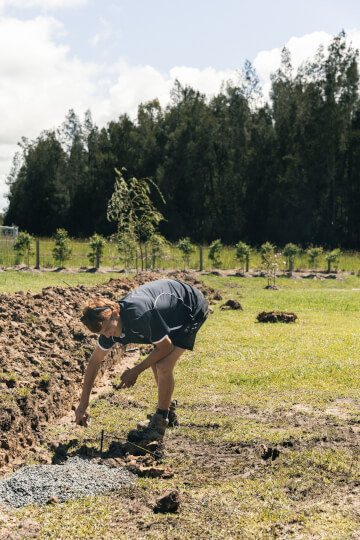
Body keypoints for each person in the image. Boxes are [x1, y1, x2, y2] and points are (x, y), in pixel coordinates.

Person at [75, 278, 209, 442]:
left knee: (163, 365)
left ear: (116, 314)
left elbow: (165, 347)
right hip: (169, 313)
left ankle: (159, 426)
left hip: (190, 307)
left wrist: (135, 371)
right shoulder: (109, 328)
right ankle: (169, 413)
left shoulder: (138, 314)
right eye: (103, 334)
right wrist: (83, 404)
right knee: (156, 360)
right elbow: (94, 361)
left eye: (109, 329)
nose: (108, 335)